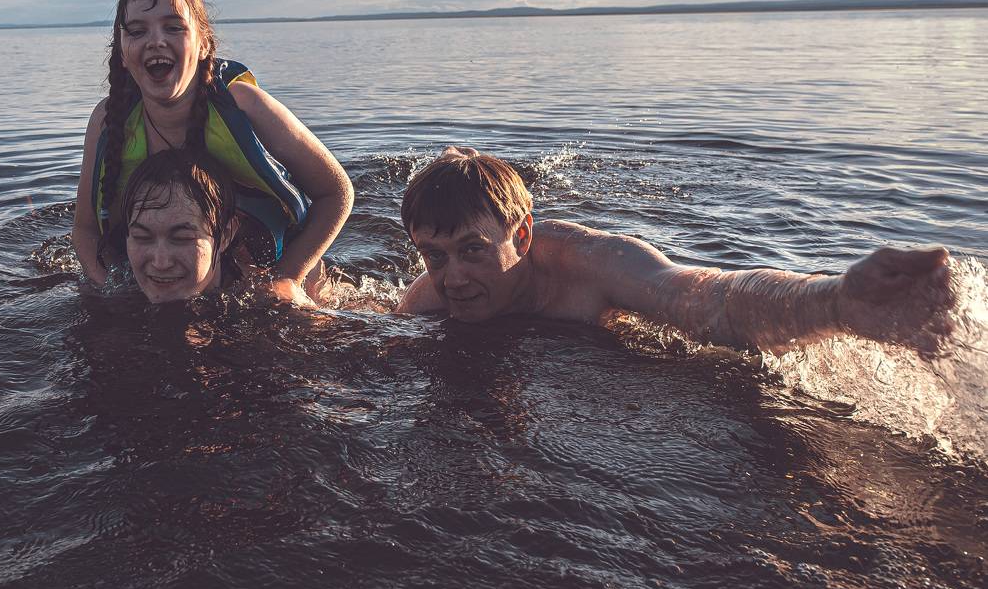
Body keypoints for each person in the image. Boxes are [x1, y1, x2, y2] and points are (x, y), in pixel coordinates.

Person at [395, 147, 958, 356]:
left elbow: (710, 299)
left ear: (521, 237)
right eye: (434, 256)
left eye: (472, 250)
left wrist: (836, 302)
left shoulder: (592, 265)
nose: (455, 278)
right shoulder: (427, 302)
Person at [74, 0, 353, 306]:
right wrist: (113, 293)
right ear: (122, 51)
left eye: (173, 27)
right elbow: (86, 231)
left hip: (272, 260)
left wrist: (288, 277)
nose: (155, 40)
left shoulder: (243, 105)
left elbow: (336, 191)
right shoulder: (109, 120)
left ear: (204, 44)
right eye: (137, 31)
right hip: (168, 261)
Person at [111, 148, 242, 304]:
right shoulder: (111, 298)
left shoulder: (261, 305)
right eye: (142, 237)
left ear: (225, 235)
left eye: (182, 238)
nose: (161, 263)